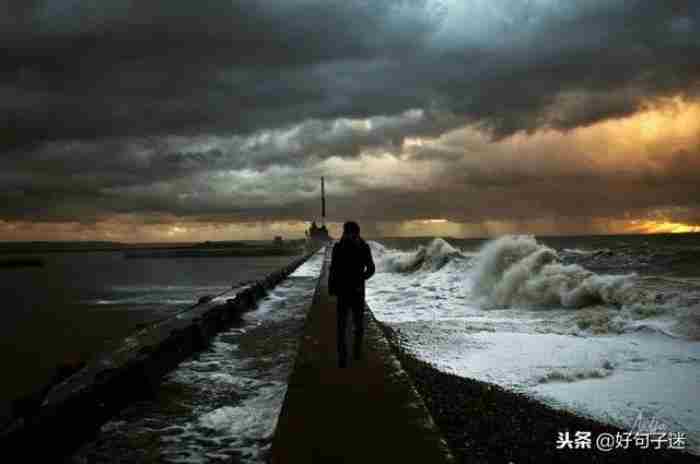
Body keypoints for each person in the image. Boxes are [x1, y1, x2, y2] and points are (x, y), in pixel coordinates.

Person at [328, 221, 375, 368]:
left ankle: (347, 356)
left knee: (345, 325)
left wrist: (333, 288)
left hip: (345, 291)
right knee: (355, 324)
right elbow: (371, 269)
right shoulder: (362, 247)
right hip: (356, 291)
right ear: (357, 232)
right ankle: (354, 354)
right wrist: (361, 279)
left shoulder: (340, 247)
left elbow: (333, 270)